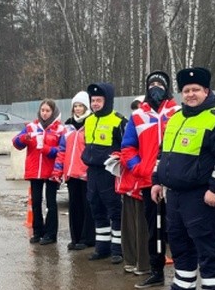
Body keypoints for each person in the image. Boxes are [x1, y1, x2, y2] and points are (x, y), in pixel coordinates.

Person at [151, 67, 215, 290]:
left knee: (208, 245)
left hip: (200, 195)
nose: (191, 94)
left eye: (196, 90)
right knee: (180, 243)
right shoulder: (175, 117)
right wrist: (156, 180)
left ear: (206, 91)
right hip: (174, 194)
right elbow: (163, 153)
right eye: (187, 90)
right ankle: (183, 289)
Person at [120, 72, 179, 289]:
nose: (156, 88)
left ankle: (183, 276)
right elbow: (127, 147)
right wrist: (138, 168)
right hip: (147, 181)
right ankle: (156, 271)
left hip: (173, 181)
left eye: (160, 84)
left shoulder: (178, 112)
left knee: (175, 228)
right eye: (152, 84)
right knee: (153, 229)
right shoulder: (138, 116)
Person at [81, 82, 127, 263]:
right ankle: (102, 248)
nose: (95, 104)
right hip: (92, 171)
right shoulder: (89, 120)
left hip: (110, 172)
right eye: (93, 101)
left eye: (98, 100)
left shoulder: (118, 120)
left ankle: (118, 250)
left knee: (114, 210)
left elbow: (127, 146)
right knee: (96, 208)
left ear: (107, 101)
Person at [12, 98, 63, 245]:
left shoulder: (59, 129)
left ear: (53, 112)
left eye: (48, 111)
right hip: (35, 170)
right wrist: (24, 138)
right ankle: (37, 231)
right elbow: (16, 144)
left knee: (51, 203)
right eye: (43, 110)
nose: (45, 113)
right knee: (35, 202)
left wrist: (47, 150)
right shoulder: (31, 127)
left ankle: (51, 234)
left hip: (52, 171)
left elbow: (62, 150)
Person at [55, 92, 95, 251]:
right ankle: (75, 237)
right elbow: (62, 150)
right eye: (75, 106)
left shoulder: (91, 123)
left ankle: (87, 238)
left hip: (85, 173)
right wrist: (58, 169)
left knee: (87, 207)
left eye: (80, 106)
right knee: (74, 207)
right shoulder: (68, 126)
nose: (78, 109)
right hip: (71, 173)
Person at [118, 97, 147, 275]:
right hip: (130, 182)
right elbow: (126, 148)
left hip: (143, 181)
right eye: (135, 108)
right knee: (129, 225)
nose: (137, 111)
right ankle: (130, 259)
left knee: (142, 226)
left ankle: (143, 263)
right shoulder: (131, 124)